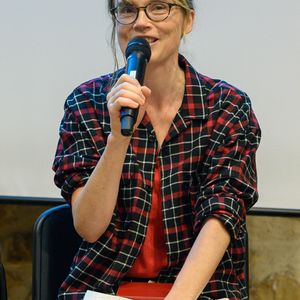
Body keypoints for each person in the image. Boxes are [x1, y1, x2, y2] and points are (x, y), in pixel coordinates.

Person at [53, 0, 261, 299]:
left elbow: (223, 213)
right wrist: (118, 137)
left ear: (188, 20)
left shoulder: (226, 106)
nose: (141, 22)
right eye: (127, 9)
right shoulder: (86, 102)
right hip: (106, 288)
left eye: (159, 7)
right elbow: (89, 227)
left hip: (201, 290)